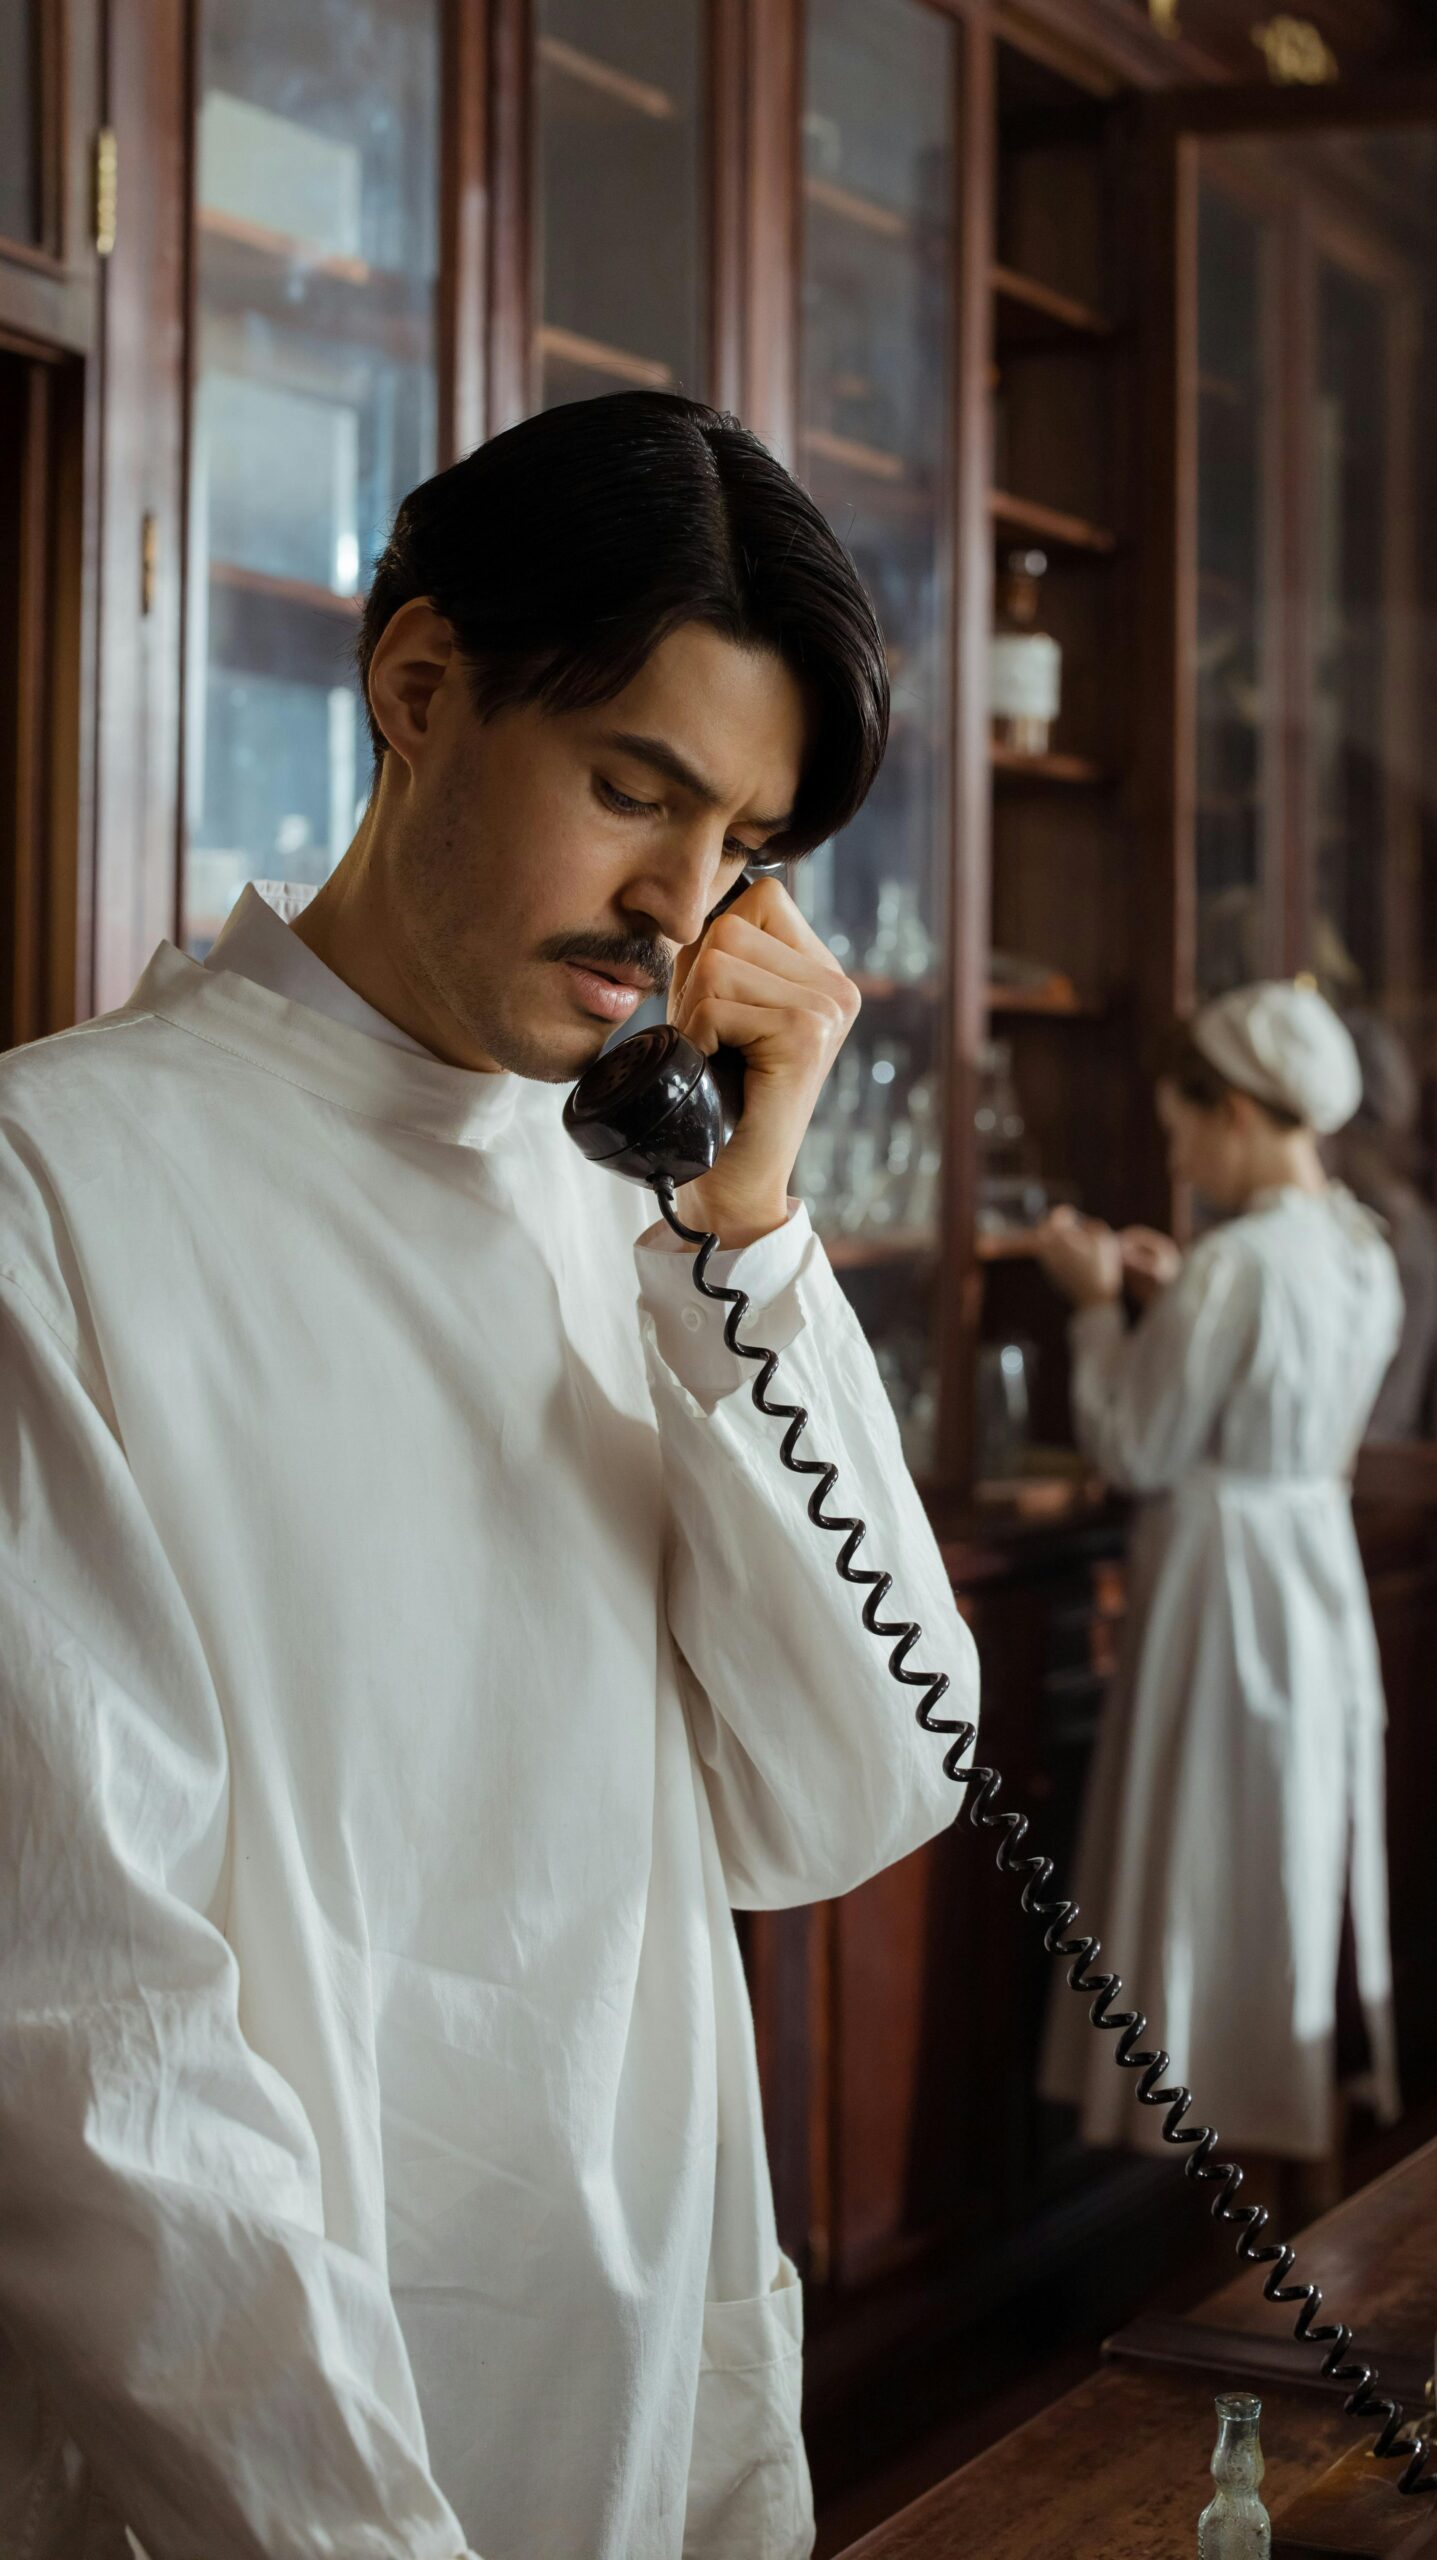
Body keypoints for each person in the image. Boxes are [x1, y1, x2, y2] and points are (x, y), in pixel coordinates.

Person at [0, 392, 977, 2560]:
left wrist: (747, 1234)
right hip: (272, 2475)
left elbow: (866, 1776)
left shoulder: (640, 1208)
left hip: (643, 2385)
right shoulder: (51, 1190)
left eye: (739, 846)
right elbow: (82, 2044)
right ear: (420, 689)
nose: (677, 904)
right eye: (633, 788)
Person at [1035, 982, 1403, 2180]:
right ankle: (1298, 2141)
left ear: (1239, 1113)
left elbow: (1135, 1445)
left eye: (1185, 1128)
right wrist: (1181, 1294)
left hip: (1222, 1591)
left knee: (1211, 1841)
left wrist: (1098, 1311)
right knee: (1287, 1848)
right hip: (1312, 1571)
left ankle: (1230, 2147)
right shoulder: (1357, 1247)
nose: (1181, 1156)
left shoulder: (1236, 1266)